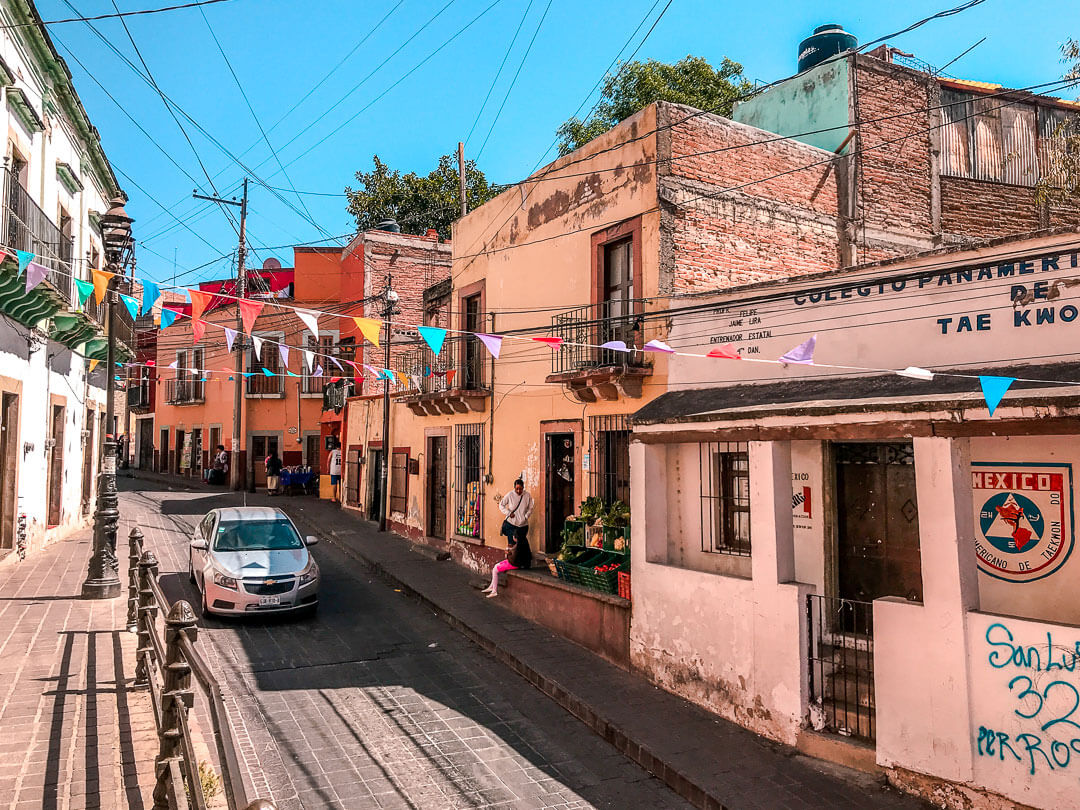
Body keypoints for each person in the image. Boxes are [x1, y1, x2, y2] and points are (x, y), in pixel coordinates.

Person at [483, 479, 534, 598]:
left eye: (520, 489)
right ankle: (511, 562)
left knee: (521, 544)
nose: (518, 491)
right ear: (514, 488)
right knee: (511, 544)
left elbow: (531, 507)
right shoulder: (510, 495)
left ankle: (520, 562)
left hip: (523, 525)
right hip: (512, 524)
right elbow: (501, 504)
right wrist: (507, 513)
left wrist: (525, 516)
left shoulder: (527, 496)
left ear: (523, 487)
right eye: (516, 489)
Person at [328, 439, 342, 503]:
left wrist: (328, 469)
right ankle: (341, 497)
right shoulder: (342, 451)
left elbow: (328, 460)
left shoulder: (333, 452)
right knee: (341, 484)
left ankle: (334, 498)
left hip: (334, 470)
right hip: (341, 470)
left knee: (334, 484)